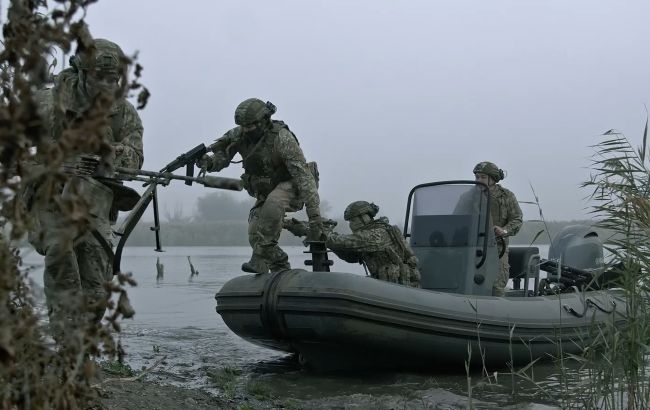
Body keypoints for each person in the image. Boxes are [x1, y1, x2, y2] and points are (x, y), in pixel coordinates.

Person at [27, 38, 144, 343]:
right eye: (99, 78)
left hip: (96, 201)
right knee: (61, 254)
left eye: (113, 79)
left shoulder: (123, 113)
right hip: (49, 198)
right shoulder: (46, 104)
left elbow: (134, 159)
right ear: (81, 72)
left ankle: (82, 343)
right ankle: (69, 347)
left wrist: (107, 153)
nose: (107, 85)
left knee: (96, 285)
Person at [198, 98, 322, 273]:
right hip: (267, 190)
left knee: (274, 203)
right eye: (244, 126)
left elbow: (304, 178)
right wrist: (209, 163)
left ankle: (258, 259)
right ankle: (279, 269)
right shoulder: (239, 134)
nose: (247, 130)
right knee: (255, 232)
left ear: (264, 120)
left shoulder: (282, 138)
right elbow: (223, 157)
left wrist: (315, 218)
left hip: (293, 185)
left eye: (251, 125)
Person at [285, 201, 421, 287]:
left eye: (352, 220)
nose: (351, 225)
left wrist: (308, 231)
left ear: (364, 217)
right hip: (389, 288)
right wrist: (325, 235)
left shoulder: (378, 233)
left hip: (401, 290)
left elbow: (344, 242)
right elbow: (351, 257)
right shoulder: (371, 236)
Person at [472, 161, 522, 296]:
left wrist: (504, 230)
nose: (478, 180)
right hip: (471, 247)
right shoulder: (469, 196)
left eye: (482, 177)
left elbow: (517, 219)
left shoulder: (506, 196)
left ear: (493, 179)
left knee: (496, 284)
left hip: (498, 247)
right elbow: (457, 219)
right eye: (477, 177)